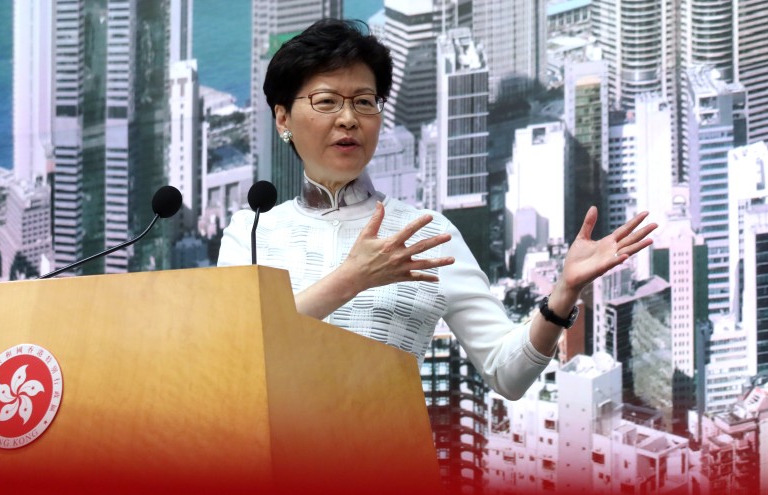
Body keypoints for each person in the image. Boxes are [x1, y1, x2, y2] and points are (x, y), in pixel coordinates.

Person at [217, 19, 656, 400]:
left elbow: (507, 373)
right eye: (327, 101)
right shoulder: (252, 232)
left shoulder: (425, 232)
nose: (349, 118)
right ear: (283, 119)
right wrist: (352, 279)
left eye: (364, 102)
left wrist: (564, 293)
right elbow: (234, 356)